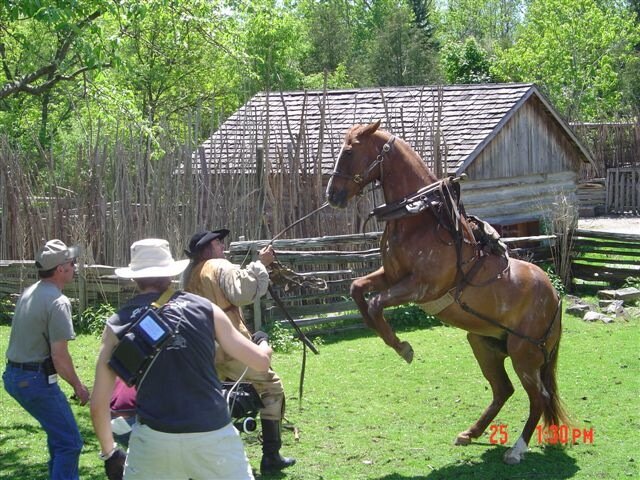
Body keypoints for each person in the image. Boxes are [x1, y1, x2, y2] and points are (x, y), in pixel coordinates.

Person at [90, 238, 272, 480]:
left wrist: (110, 453)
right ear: (171, 274)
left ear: (134, 278)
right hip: (213, 436)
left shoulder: (117, 323)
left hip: (153, 440)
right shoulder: (206, 309)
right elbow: (260, 362)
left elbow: (98, 404)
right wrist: (264, 343)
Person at [182, 229, 296, 474]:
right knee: (270, 386)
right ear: (207, 249)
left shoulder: (189, 274)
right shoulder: (218, 265)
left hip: (202, 350)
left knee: (218, 397)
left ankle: (210, 456)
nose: (222, 246)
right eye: (218, 243)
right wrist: (260, 263)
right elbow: (243, 292)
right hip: (230, 346)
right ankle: (271, 456)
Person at [3, 239, 91, 480]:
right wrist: (79, 387)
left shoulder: (30, 291)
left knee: (60, 438)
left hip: (14, 376)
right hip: (34, 381)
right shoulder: (57, 302)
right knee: (71, 443)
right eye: (72, 263)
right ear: (61, 269)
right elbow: (60, 357)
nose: (75, 267)